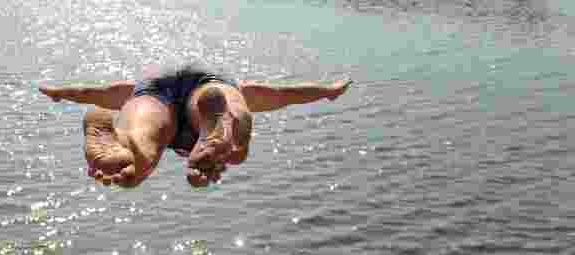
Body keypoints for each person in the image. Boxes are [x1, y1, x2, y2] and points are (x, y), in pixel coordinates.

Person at [40, 63, 352, 188]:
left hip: (154, 88)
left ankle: (129, 146)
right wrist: (327, 92)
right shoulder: (245, 89)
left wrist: (62, 94)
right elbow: (285, 95)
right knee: (234, 118)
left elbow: (96, 93)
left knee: (144, 127)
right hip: (210, 83)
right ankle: (225, 124)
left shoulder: (129, 88)